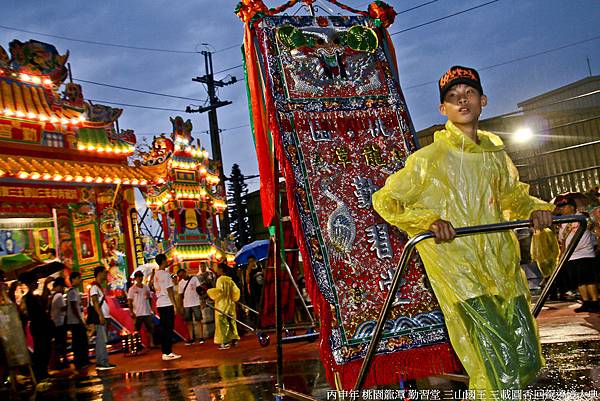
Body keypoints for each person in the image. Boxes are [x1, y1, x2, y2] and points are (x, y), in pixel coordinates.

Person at [372, 65, 555, 399]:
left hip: (502, 268)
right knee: (497, 368)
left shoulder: (496, 157)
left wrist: (535, 209)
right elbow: (386, 200)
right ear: (443, 109)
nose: (462, 100)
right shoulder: (428, 159)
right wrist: (428, 220)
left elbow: (513, 195)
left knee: (527, 359)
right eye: (452, 97)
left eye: (468, 93)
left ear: (482, 100)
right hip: (460, 272)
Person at [556, 197, 599, 312]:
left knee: (589, 279)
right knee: (579, 281)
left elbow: (595, 229)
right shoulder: (562, 221)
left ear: (572, 207)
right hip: (571, 255)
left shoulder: (583, 217)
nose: (562, 209)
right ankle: (586, 302)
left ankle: (595, 301)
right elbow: (562, 240)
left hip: (586, 253)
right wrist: (562, 255)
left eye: (564, 207)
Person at [19, 272, 54, 384]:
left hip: (41, 326)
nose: (37, 283)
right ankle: (40, 373)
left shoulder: (34, 297)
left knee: (45, 348)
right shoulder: (28, 298)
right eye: (35, 281)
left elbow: (43, 303)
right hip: (38, 326)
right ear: (30, 283)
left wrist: (45, 286)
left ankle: (42, 371)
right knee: (41, 349)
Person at [153, 253, 182, 360]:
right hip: (167, 303)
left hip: (160, 304)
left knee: (164, 328)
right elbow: (169, 290)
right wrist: (175, 305)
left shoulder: (156, 275)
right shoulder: (165, 274)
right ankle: (167, 352)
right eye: (166, 260)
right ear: (163, 261)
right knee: (168, 329)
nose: (167, 261)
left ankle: (165, 351)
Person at [207, 263, 241, 350]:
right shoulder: (230, 280)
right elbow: (236, 291)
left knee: (222, 324)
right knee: (231, 323)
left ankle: (225, 342)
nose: (217, 271)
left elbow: (219, 291)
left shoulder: (220, 280)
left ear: (221, 269)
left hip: (222, 305)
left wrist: (209, 292)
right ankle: (234, 339)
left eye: (218, 269)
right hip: (230, 305)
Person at [90, 266, 116, 370]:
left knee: (101, 340)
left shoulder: (99, 287)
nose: (106, 275)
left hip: (104, 316)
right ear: (99, 273)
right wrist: (100, 315)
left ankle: (101, 361)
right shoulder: (94, 287)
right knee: (101, 340)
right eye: (105, 273)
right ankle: (102, 362)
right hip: (101, 317)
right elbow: (95, 302)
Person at [66, 271, 90, 372]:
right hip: (75, 322)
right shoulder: (71, 291)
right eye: (79, 278)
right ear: (74, 279)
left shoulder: (75, 290)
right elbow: (73, 307)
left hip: (78, 320)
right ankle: (79, 362)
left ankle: (84, 360)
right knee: (78, 342)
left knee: (83, 341)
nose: (80, 280)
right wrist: (80, 320)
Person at [127, 270, 156, 348]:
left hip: (146, 312)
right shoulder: (132, 289)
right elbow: (129, 301)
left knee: (150, 329)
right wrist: (131, 312)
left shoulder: (146, 287)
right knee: (137, 330)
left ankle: (151, 343)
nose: (140, 278)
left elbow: (150, 299)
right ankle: (138, 345)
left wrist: (152, 309)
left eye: (141, 276)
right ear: (135, 278)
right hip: (137, 313)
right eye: (138, 277)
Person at [176, 268, 204, 345]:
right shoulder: (180, 283)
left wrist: (202, 300)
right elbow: (180, 295)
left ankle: (201, 337)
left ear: (185, 272)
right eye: (180, 276)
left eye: (183, 274)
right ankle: (192, 338)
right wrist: (180, 306)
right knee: (189, 322)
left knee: (198, 320)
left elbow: (199, 289)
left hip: (195, 302)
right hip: (186, 304)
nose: (182, 276)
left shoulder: (194, 278)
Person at [50, 277, 68, 369]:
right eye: (62, 287)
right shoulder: (59, 296)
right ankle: (63, 361)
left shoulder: (54, 296)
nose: (63, 289)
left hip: (56, 323)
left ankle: (60, 361)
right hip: (60, 323)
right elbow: (63, 308)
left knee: (59, 343)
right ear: (58, 286)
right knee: (61, 343)